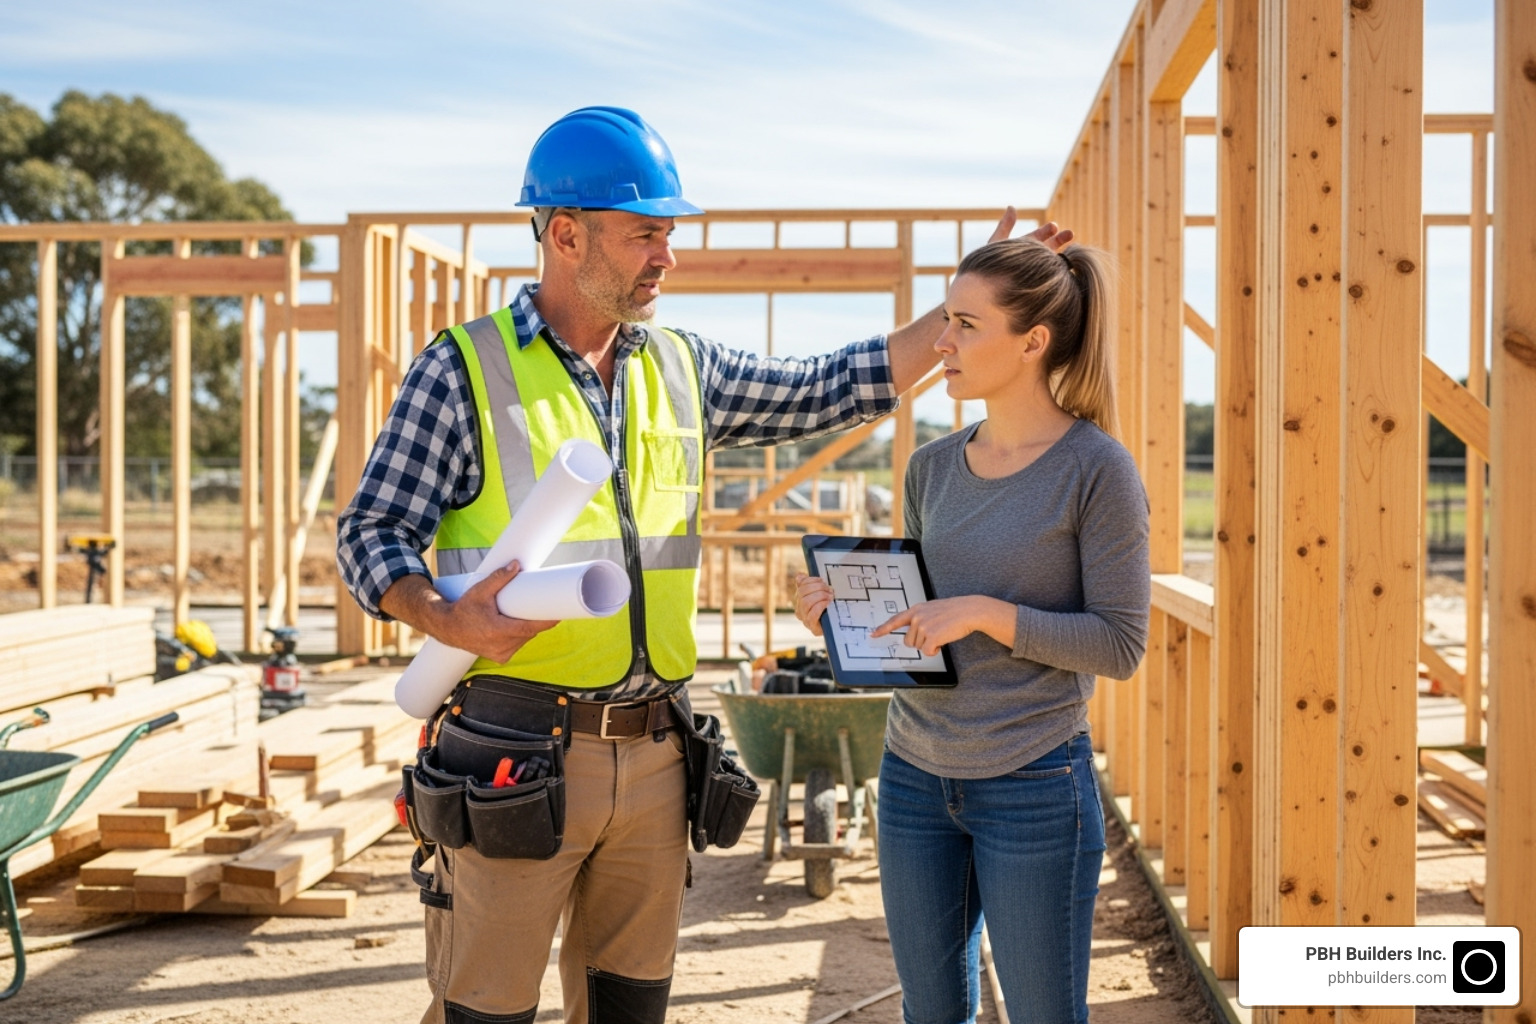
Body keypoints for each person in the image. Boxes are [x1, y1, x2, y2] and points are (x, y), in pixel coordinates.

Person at [336, 105, 1071, 1024]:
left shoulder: (683, 366)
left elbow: (824, 387)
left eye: (670, 233)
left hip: (653, 756)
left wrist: (955, 320)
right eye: (647, 233)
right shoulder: (463, 371)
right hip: (514, 751)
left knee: (630, 1008)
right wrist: (446, 619)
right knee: (486, 1011)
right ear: (566, 235)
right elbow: (370, 531)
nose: (668, 256)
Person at [794, 237, 1149, 1024]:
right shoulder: (931, 467)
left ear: (1032, 342)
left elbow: (1120, 645)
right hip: (915, 779)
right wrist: (840, 619)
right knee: (931, 1015)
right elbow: (920, 641)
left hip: (1034, 785)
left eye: (964, 324)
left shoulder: (1097, 470)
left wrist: (986, 612)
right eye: (946, 321)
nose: (942, 342)